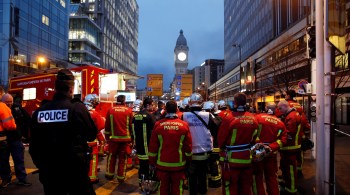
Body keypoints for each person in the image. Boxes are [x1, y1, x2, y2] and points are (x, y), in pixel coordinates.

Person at [29, 69, 97, 195]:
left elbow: (33, 145)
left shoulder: (40, 111)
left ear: (55, 88)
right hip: (75, 172)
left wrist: (42, 166)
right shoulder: (76, 108)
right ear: (71, 89)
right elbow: (91, 135)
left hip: (49, 172)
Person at [217, 93, 259, 195]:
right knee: (245, 187)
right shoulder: (253, 118)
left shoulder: (229, 118)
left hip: (231, 161)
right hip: (247, 158)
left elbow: (221, 139)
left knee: (230, 187)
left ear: (234, 102)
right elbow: (255, 138)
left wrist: (221, 149)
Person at [148, 100, 192, 195]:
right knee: (178, 190)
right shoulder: (184, 125)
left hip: (162, 165)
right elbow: (188, 147)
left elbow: (153, 147)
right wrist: (188, 160)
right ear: (176, 109)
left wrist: (152, 162)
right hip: (179, 165)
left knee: (163, 189)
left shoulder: (158, 125)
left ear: (166, 110)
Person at [182, 93, 220, 195]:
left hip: (190, 154)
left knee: (192, 178)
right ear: (202, 103)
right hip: (204, 153)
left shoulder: (184, 116)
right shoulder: (208, 115)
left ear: (189, 103)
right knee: (203, 177)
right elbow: (215, 131)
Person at [253, 103, 288, 195]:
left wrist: (260, 145)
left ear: (266, 108)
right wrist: (270, 148)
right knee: (272, 178)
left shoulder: (258, 118)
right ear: (275, 109)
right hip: (272, 153)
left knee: (258, 177)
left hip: (258, 151)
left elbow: (253, 134)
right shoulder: (281, 123)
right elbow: (283, 140)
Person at [1, 94, 31, 187]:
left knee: (19, 159)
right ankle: (6, 179)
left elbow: (27, 119)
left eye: (11, 101)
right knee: (3, 161)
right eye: (7, 102)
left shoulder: (17, 109)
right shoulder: (3, 109)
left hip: (15, 139)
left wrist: (25, 134)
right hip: (4, 140)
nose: (9, 104)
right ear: (2, 101)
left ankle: (22, 179)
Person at [104, 95, 133, 182]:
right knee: (123, 158)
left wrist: (107, 138)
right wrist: (132, 139)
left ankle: (110, 174)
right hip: (125, 140)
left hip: (113, 139)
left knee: (111, 156)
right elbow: (131, 126)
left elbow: (107, 125)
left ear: (117, 101)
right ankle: (121, 177)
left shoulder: (110, 110)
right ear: (124, 101)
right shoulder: (129, 111)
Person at [277, 100, 302, 195]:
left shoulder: (291, 117)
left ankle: (291, 190)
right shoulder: (293, 114)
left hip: (290, 147)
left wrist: (277, 135)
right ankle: (286, 184)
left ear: (284, 106)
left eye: (280, 108)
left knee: (290, 170)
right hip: (291, 147)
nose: (279, 110)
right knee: (286, 168)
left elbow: (288, 133)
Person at [132, 97, 156, 191]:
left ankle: (141, 184)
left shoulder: (136, 116)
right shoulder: (150, 116)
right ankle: (148, 186)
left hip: (139, 146)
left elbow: (133, 131)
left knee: (142, 166)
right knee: (149, 167)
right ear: (148, 105)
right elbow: (154, 132)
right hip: (148, 147)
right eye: (152, 104)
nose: (153, 107)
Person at [285, 90, 311, 175]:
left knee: (290, 156)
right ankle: (299, 168)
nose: (285, 96)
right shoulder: (299, 105)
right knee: (300, 152)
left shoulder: (286, 104)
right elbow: (303, 117)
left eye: (286, 95)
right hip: (300, 132)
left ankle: (289, 173)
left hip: (291, 133)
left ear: (288, 96)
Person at [84, 94, 106, 183]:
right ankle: (92, 177)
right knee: (92, 160)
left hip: (80, 141)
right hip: (91, 141)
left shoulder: (79, 111)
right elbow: (100, 126)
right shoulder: (95, 114)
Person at [203, 101, 222, 188]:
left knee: (208, 163)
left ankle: (212, 180)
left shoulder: (203, 118)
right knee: (214, 163)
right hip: (215, 145)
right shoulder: (217, 119)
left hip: (206, 145)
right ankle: (215, 181)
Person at [0, 97, 17, 188]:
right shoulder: (2, 107)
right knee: (3, 160)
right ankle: (6, 178)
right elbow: (10, 125)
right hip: (1, 138)